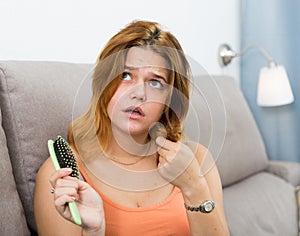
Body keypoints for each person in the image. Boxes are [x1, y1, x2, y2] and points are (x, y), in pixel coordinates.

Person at [34, 20, 230, 236]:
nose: (138, 94)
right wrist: (95, 231)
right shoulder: (63, 174)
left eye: (155, 82)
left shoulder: (198, 161)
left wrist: (194, 187)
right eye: (125, 76)